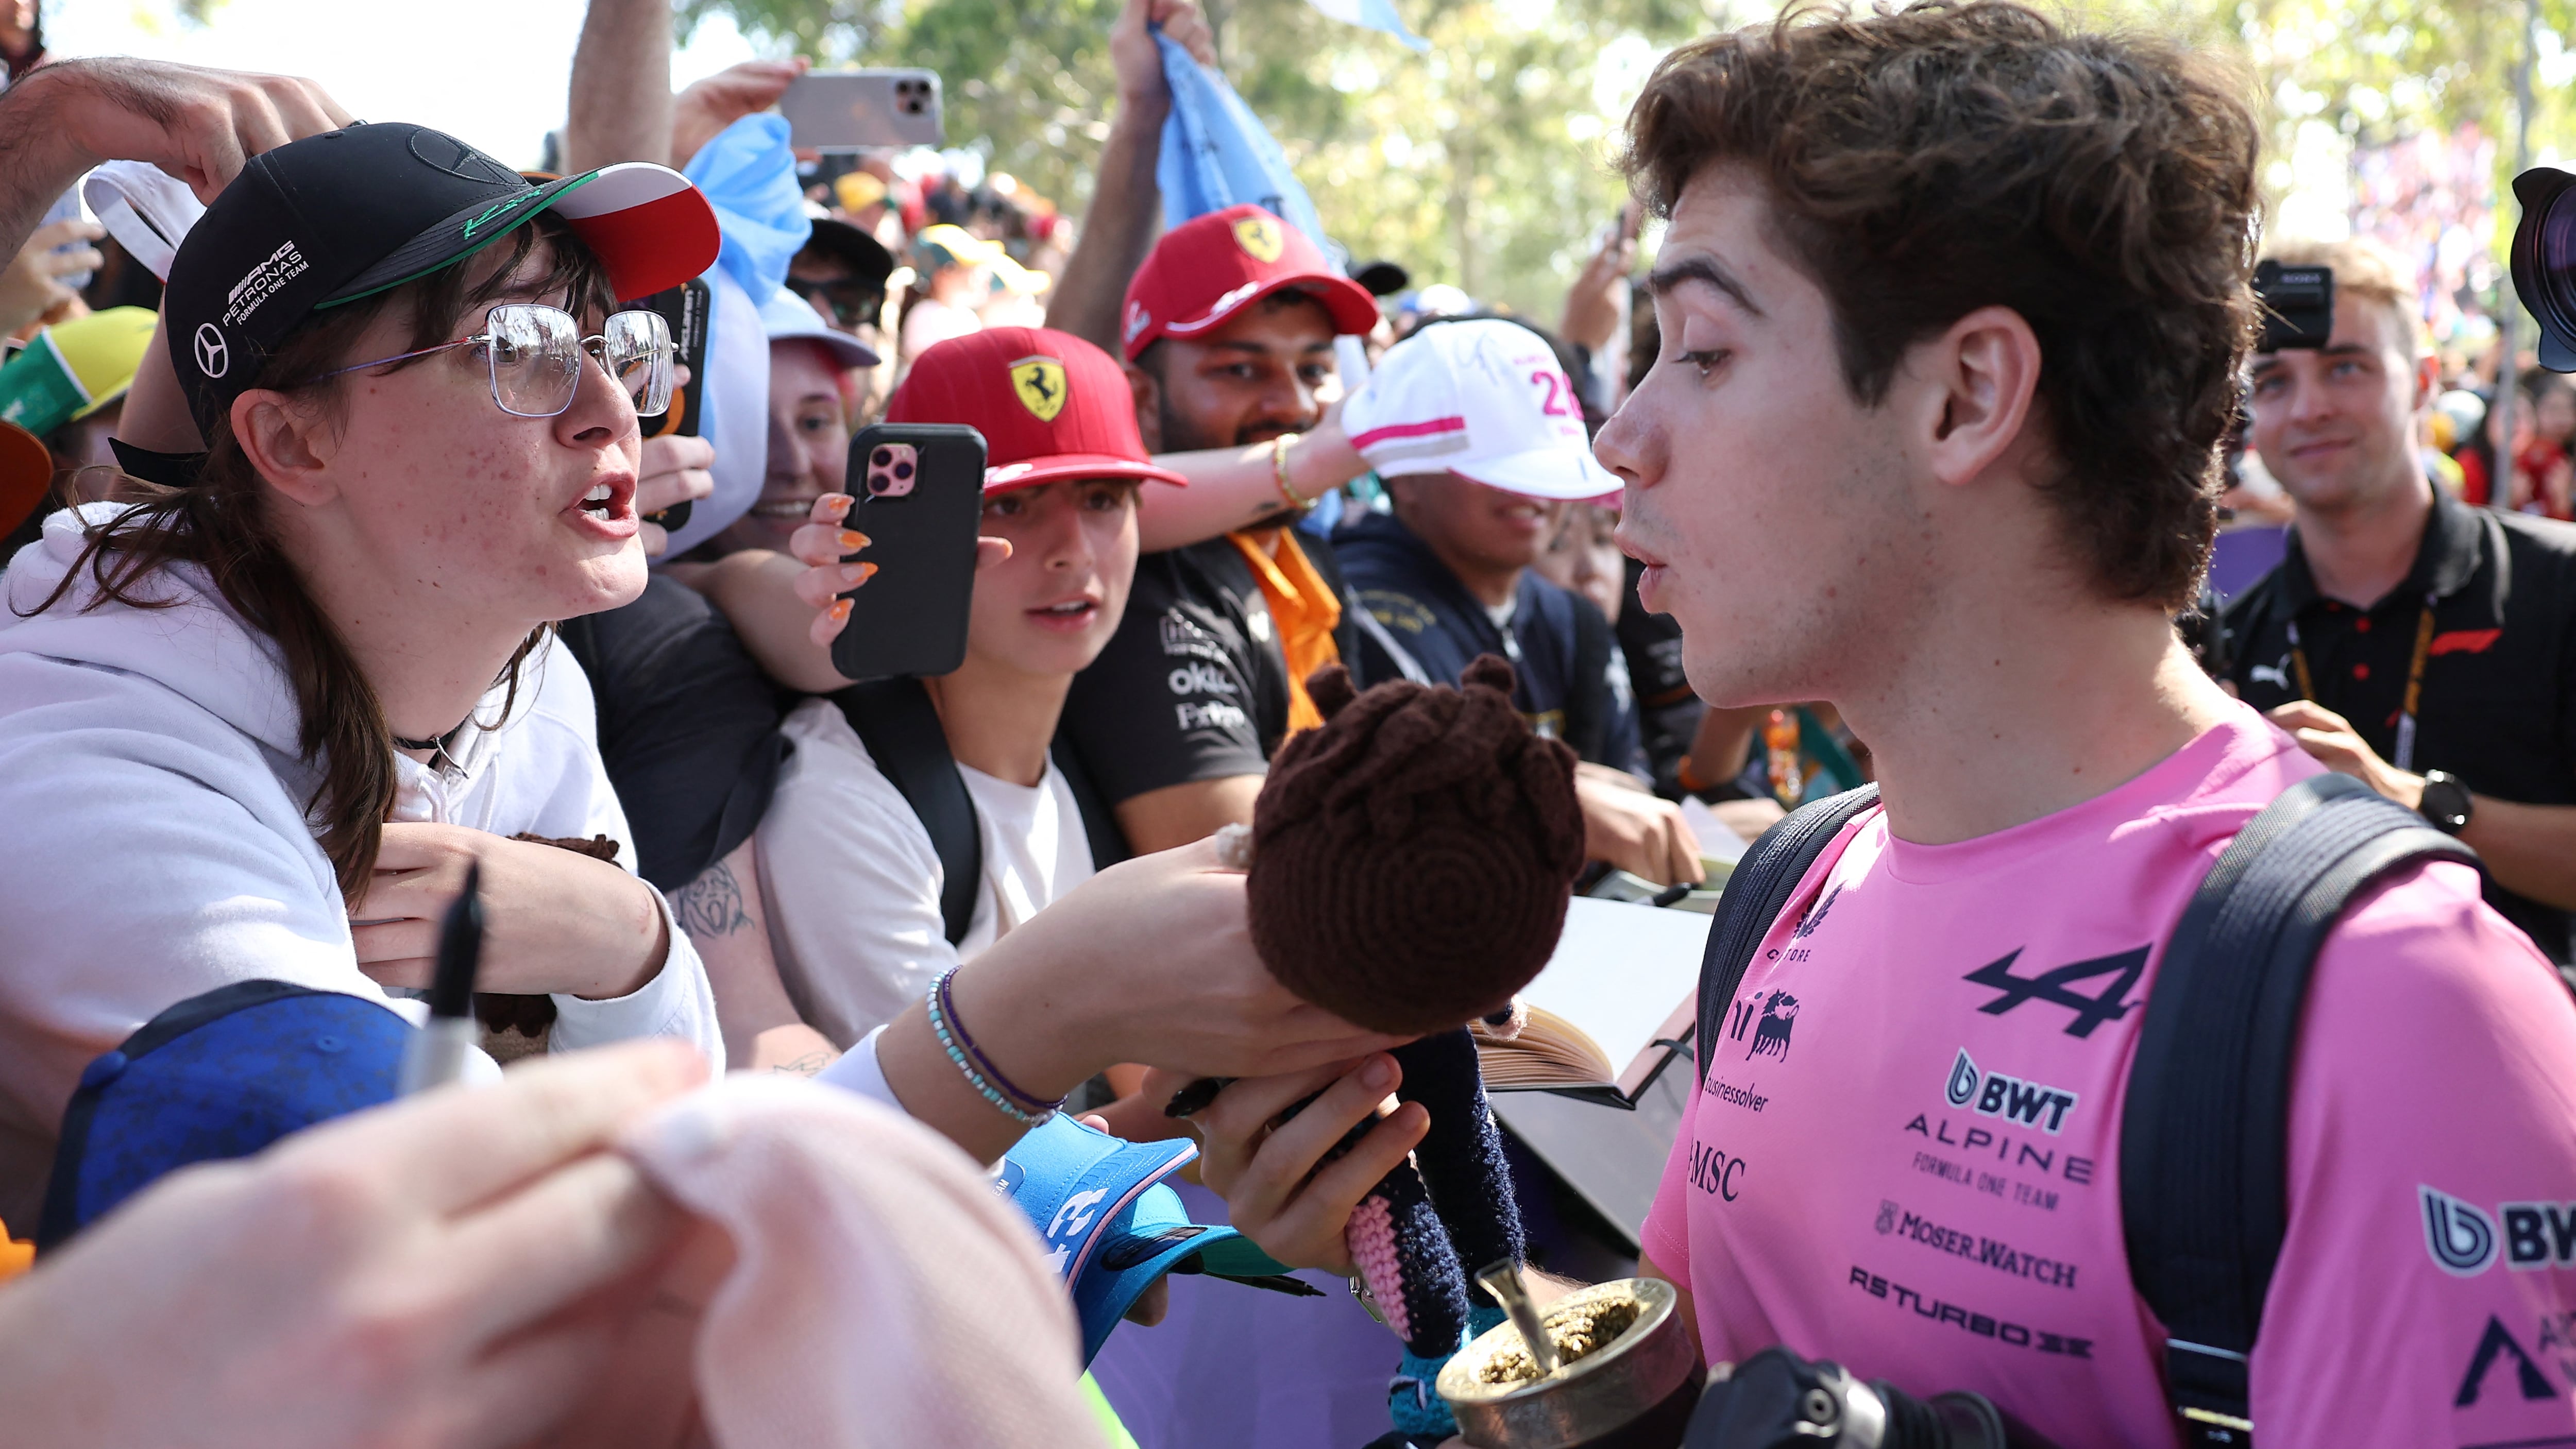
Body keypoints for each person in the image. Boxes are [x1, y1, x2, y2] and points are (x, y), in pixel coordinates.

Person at [1193, 8, 2576, 1446]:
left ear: (1969, 395)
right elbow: (1702, 1395)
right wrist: (1414, 1240)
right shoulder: (1800, 881)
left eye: (1706, 351)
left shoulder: (2403, 1005)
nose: (1618, 438)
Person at [0, 123, 732, 1226]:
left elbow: (689, 1136)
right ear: (294, 445)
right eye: (520, 346)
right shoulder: (98, 784)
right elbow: (482, 1235)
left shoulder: (525, 684)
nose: (613, 408)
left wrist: (630, 941)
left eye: (612, 343)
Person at [754, 326, 1176, 1048]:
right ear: (911, 537)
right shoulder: (841, 800)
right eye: (1009, 505)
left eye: (1104, 497)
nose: (1072, 550)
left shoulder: (1065, 766)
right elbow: (959, 1134)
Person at [2228, 236, 2576, 967]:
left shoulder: (2556, 583)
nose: (2310, 408)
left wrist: (2412, 798)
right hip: (2303, 1068)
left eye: (2344, 367)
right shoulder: (2231, 643)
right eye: (2273, 381)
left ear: (2421, 381)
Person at [1055, 202, 1380, 853]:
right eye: (1240, 369)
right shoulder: (1129, 575)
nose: (1291, 402)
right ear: (1141, 398)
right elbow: (1249, 871)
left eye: (1314, 369)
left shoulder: (1308, 554)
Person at [1335, 316, 1704, 884]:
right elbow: (1399, 807)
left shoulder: (1572, 620)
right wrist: (1553, 797)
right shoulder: (1358, 606)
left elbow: (1625, 792)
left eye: (1541, 467)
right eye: (1495, 468)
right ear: (1404, 475)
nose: (1530, 492)